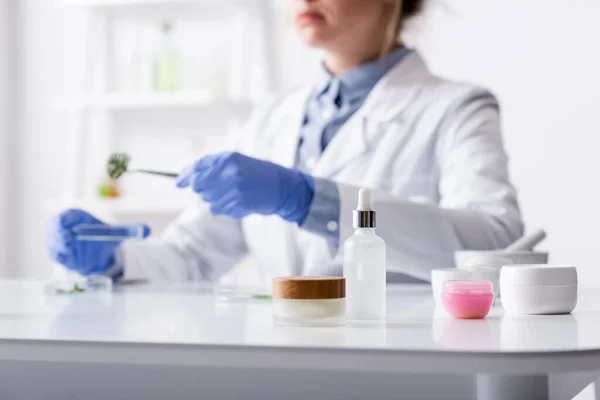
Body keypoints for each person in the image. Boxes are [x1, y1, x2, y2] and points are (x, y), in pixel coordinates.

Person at [47, 0, 523, 283]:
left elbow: (492, 244)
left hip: (410, 368)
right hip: (285, 362)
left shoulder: (457, 109)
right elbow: (194, 256)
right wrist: (112, 258)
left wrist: (309, 199)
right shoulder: (273, 116)